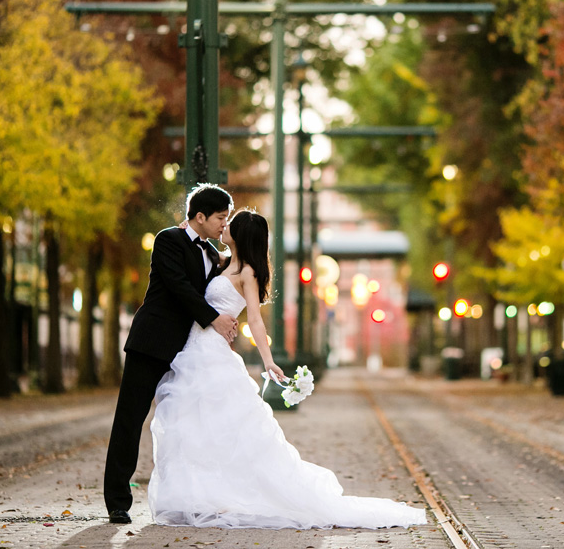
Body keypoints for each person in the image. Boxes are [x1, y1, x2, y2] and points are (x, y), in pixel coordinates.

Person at [148, 208, 427, 529]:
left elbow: (254, 318)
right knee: (192, 425)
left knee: (218, 425)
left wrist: (268, 361)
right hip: (194, 351)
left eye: (230, 224)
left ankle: (218, 496)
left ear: (240, 235)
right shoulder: (220, 262)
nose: (223, 227)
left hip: (213, 355)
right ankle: (195, 494)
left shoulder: (248, 273)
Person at [104, 184, 240, 525]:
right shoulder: (167, 239)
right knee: (130, 419)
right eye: (221, 218)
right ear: (200, 216)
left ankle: (191, 496)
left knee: (187, 424)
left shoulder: (212, 254)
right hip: (152, 343)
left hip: (189, 351)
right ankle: (118, 501)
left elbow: (232, 273)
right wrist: (214, 318)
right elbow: (179, 286)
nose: (224, 224)